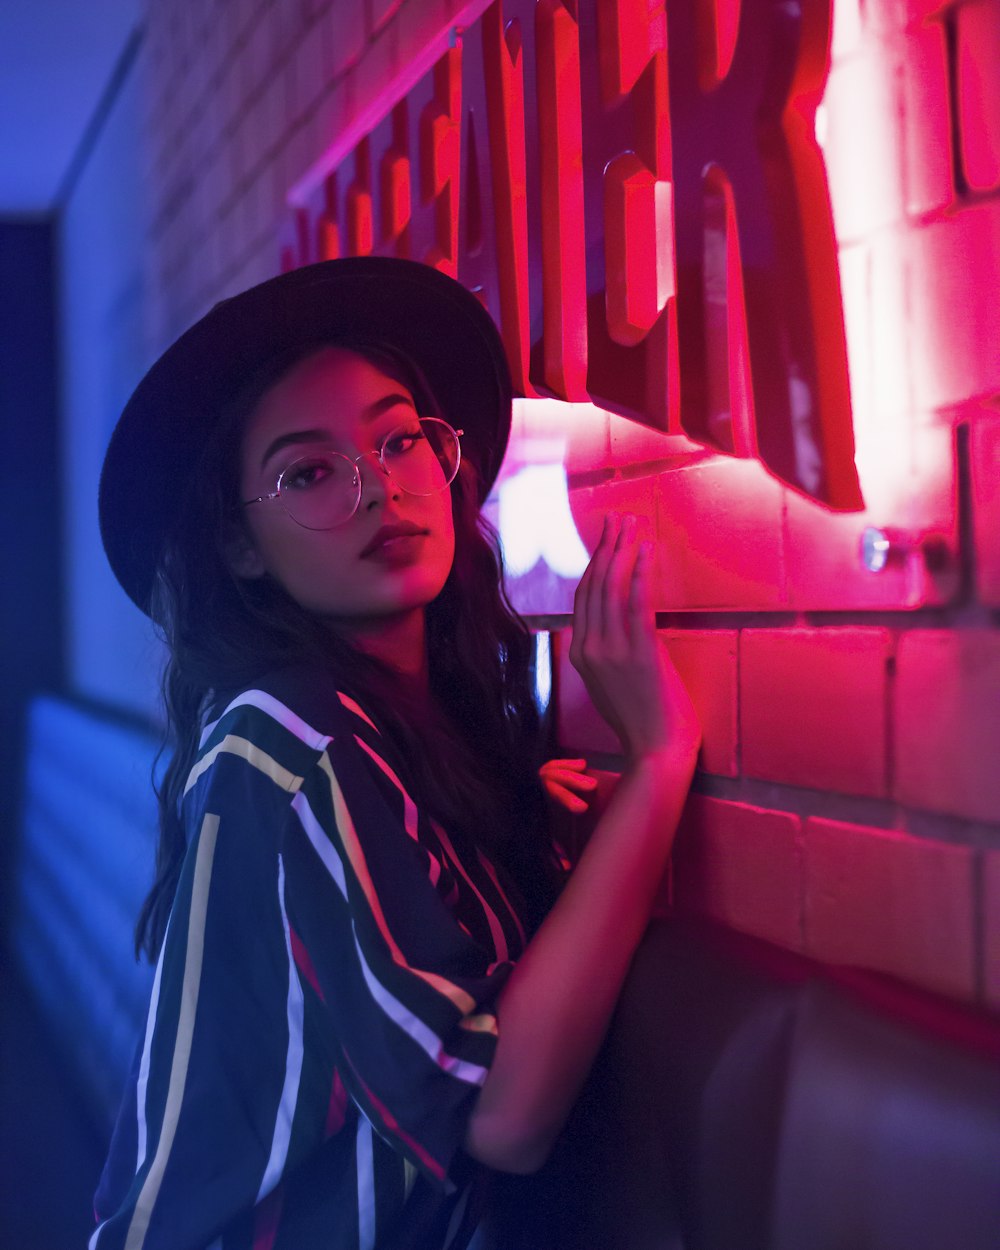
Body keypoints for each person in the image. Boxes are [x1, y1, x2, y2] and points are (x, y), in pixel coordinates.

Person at [92, 256, 700, 1250]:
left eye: (399, 437)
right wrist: (662, 757)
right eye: (310, 471)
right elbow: (505, 1118)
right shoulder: (289, 745)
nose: (381, 488)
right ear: (238, 545)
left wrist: (512, 825)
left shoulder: (402, 733)